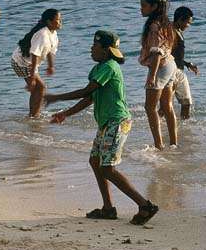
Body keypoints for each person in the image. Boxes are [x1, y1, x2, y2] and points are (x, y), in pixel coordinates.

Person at [45, 30, 158, 225]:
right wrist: (66, 113)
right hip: (107, 123)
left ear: (106, 51)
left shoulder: (109, 67)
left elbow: (86, 91)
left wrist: (56, 97)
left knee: (107, 168)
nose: (91, 48)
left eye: (95, 46)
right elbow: (90, 98)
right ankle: (108, 208)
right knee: (95, 161)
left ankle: (144, 205)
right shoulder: (99, 69)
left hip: (117, 122)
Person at [139, 0, 178, 150]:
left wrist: (152, 76)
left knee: (149, 107)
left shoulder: (154, 25)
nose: (140, 9)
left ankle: (159, 145)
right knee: (167, 106)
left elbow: (155, 53)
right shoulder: (166, 23)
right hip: (170, 65)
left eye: (143, 6)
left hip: (160, 67)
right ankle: (174, 143)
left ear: (154, 7)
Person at [11, 9, 62, 118]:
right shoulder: (42, 34)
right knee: (41, 87)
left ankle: (33, 115)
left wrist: (50, 66)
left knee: (37, 89)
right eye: (58, 20)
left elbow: (50, 52)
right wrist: (33, 76)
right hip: (21, 62)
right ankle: (34, 116)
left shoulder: (53, 34)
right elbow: (34, 54)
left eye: (60, 20)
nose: (60, 22)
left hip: (29, 63)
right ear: (49, 22)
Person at [168, 6, 198, 120]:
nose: (188, 25)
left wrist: (187, 64)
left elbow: (176, 54)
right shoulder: (171, 32)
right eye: (187, 22)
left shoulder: (177, 30)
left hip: (179, 70)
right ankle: (157, 123)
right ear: (180, 19)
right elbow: (167, 53)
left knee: (186, 102)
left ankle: (184, 127)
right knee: (167, 103)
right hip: (172, 72)